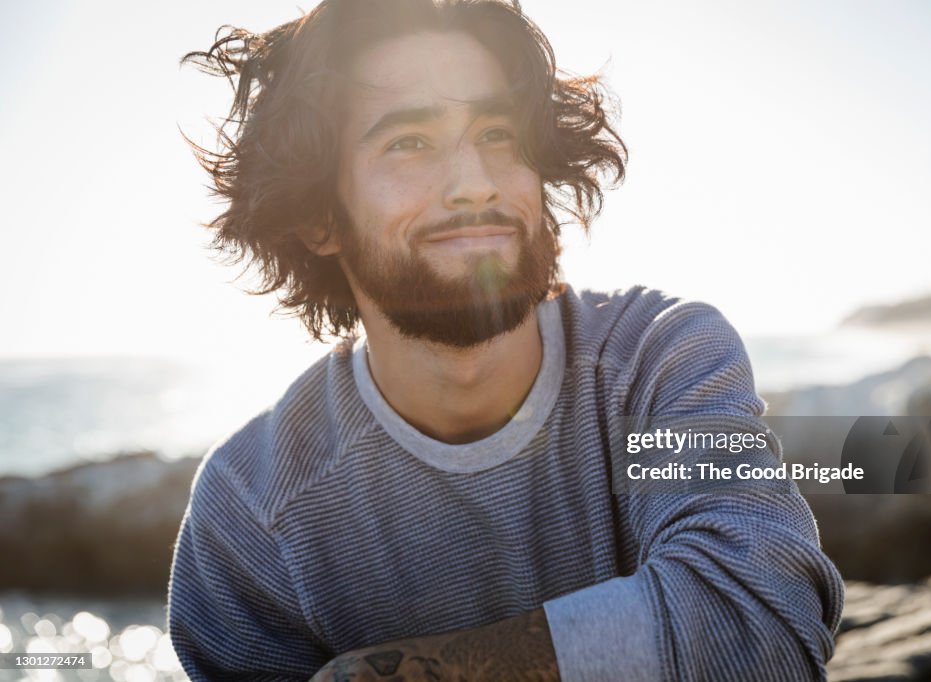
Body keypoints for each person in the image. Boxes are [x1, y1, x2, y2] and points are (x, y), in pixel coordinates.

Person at [167, 0, 844, 680]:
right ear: (319, 216)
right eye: (410, 143)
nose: (475, 184)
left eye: (498, 133)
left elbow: (763, 624)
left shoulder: (658, 360)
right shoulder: (251, 512)